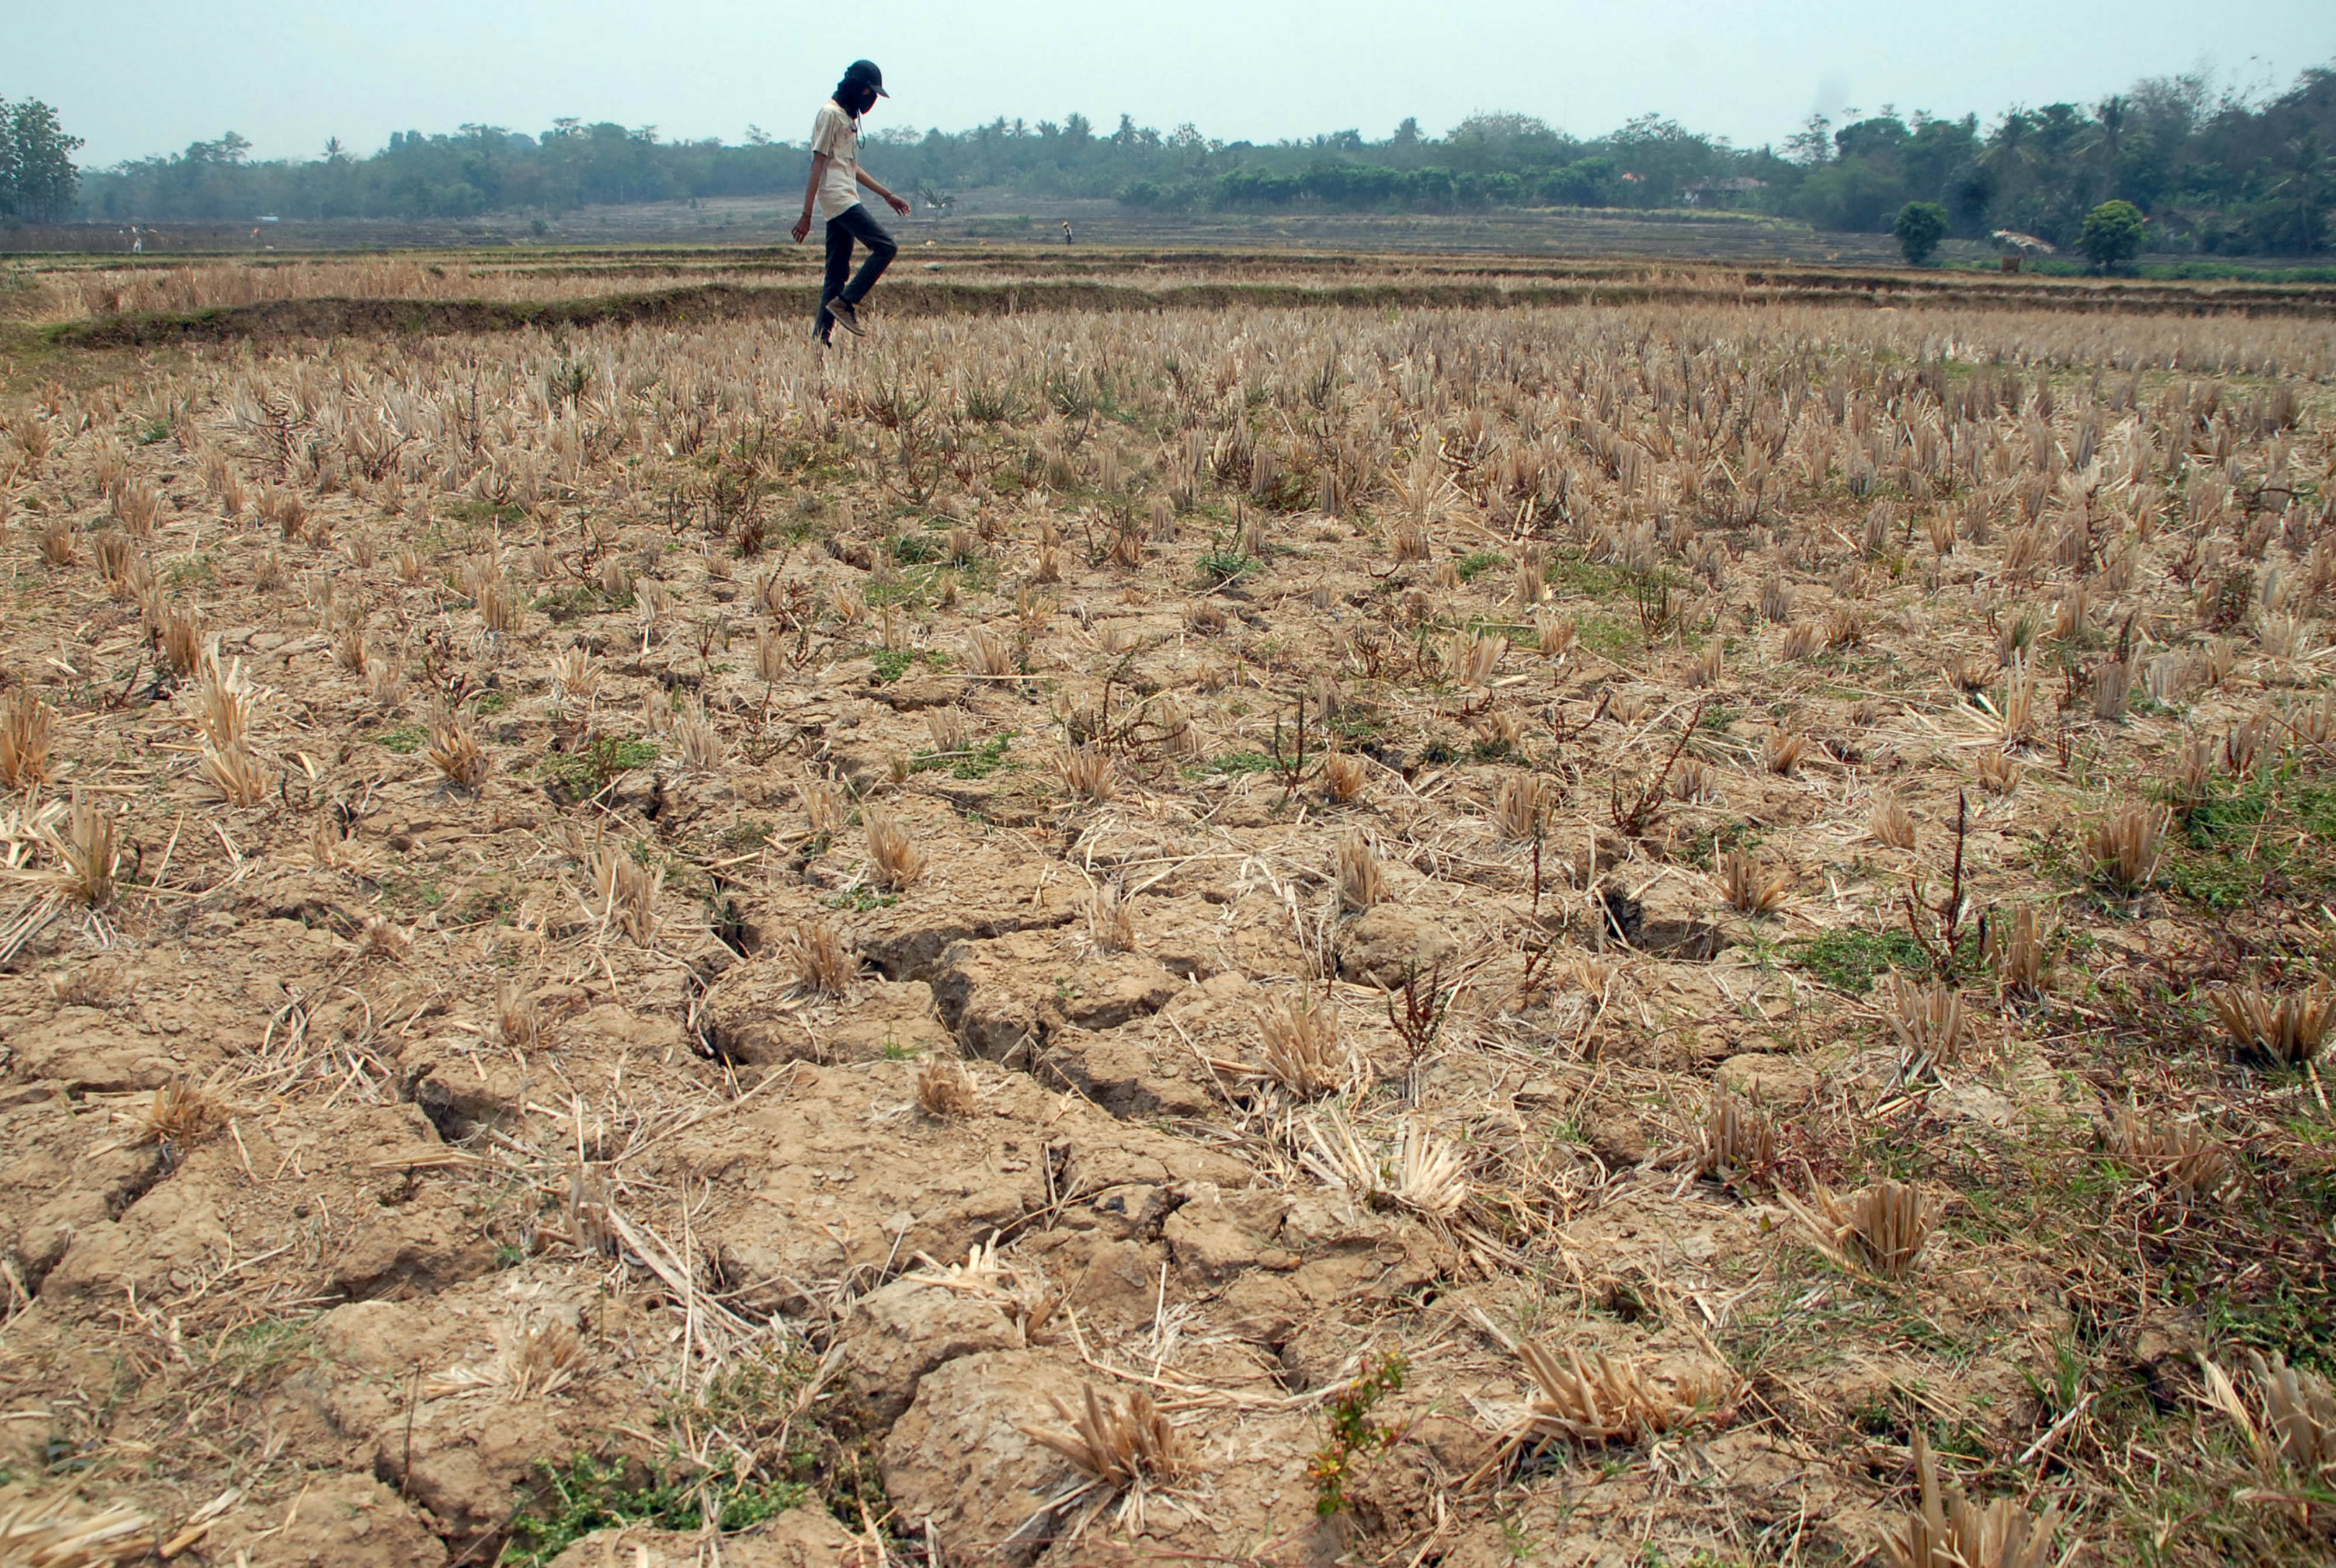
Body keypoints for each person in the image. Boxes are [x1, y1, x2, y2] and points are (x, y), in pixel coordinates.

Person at [792, 60, 911, 344]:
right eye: (869, 93)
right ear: (857, 88)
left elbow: (849, 167)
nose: (871, 100)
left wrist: (886, 194)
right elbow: (818, 163)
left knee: (835, 275)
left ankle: (819, 342)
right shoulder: (829, 115)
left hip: (846, 195)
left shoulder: (847, 119)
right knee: (885, 247)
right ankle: (846, 303)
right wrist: (806, 213)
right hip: (837, 197)